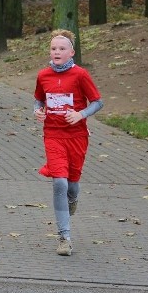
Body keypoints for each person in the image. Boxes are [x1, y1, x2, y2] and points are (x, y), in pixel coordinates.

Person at [33, 29, 103, 257]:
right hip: (53, 135)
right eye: (54, 48)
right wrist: (38, 111)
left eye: (62, 48)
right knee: (59, 183)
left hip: (77, 137)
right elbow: (38, 99)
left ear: (71, 52)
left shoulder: (80, 75)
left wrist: (80, 115)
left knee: (71, 184)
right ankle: (65, 237)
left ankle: (73, 198)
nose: (57, 52)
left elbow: (97, 102)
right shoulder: (43, 75)